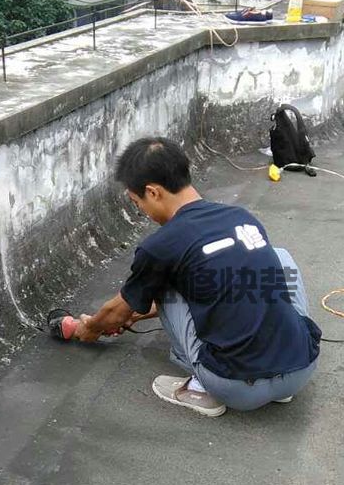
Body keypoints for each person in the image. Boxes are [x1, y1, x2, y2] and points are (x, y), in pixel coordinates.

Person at [72, 136, 321, 417]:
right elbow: (223, 288)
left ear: (152, 192)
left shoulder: (161, 245)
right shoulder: (242, 218)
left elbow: (116, 312)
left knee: (162, 283)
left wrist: (90, 329)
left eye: (136, 202)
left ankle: (201, 386)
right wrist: (138, 314)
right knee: (278, 256)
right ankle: (281, 382)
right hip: (301, 369)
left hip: (235, 388)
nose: (140, 210)